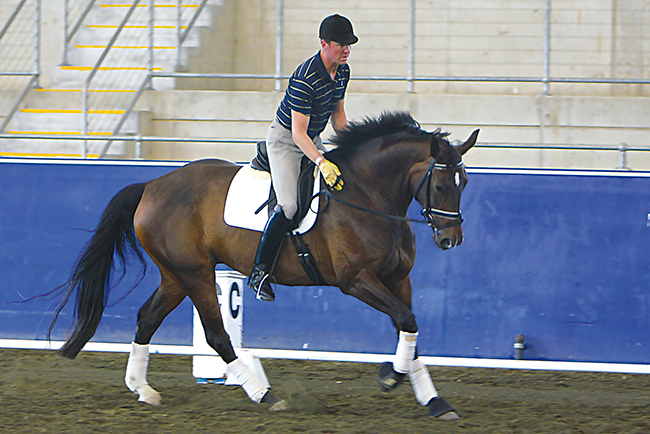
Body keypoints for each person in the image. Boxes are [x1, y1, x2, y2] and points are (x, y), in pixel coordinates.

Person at [248, 14, 358, 302]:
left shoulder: (343, 72)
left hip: (313, 137)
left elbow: (338, 117)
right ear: (324, 44)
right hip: (287, 141)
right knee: (289, 206)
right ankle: (260, 273)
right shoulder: (305, 78)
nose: (347, 49)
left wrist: (352, 148)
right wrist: (321, 161)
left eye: (350, 45)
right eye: (342, 44)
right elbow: (298, 134)